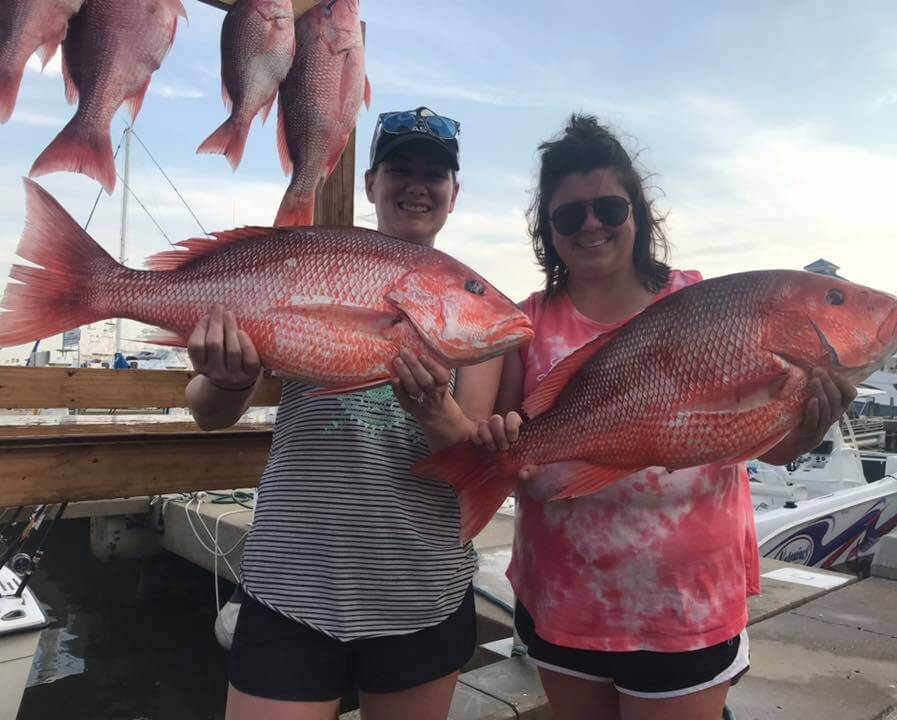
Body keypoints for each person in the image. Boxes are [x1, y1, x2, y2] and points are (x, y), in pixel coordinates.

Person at [476, 114, 857, 720]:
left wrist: (811, 421)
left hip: (685, 605)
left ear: (638, 212)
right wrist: (502, 451)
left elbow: (774, 452)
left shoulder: (703, 302)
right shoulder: (527, 322)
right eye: (570, 215)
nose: (592, 224)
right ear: (548, 230)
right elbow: (510, 442)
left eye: (609, 207)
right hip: (563, 600)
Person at [185, 107, 501, 720]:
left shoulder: (473, 311)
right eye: (399, 169)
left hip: (420, 589)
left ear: (454, 194)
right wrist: (230, 380)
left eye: (435, 174)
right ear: (370, 185)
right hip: (291, 583)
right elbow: (206, 412)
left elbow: (475, 460)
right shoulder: (317, 261)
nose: (417, 185)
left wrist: (435, 411)